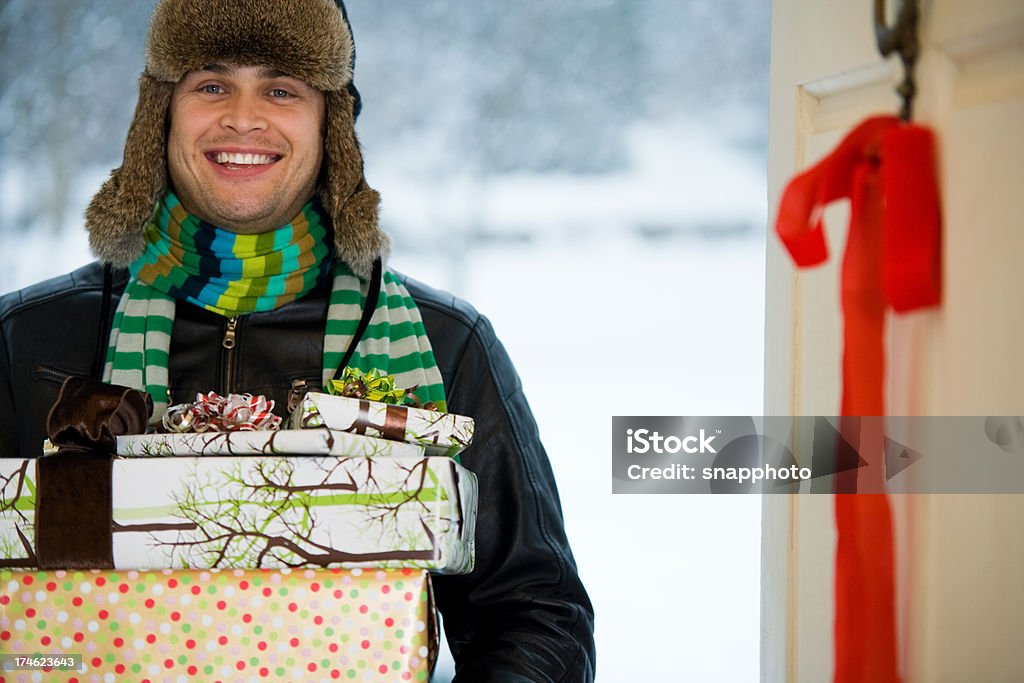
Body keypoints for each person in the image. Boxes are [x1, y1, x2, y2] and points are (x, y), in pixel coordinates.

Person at [0, 0, 596, 680]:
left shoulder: (445, 342)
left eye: (281, 88)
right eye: (212, 84)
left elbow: (535, 613)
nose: (244, 117)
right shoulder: (30, 339)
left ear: (331, 124)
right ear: (160, 112)